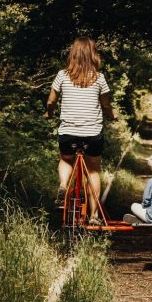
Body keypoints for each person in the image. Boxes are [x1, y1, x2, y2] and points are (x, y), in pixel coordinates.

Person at [44, 36, 115, 214]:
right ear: (93, 55)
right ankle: (94, 215)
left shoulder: (62, 75)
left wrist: (49, 113)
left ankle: (62, 186)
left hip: (68, 131)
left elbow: (51, 101)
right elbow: (106, 105)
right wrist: (112, 115)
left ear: (73, 54)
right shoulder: (99, 78)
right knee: (93, 170)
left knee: (66, 159)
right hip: (92, 133)